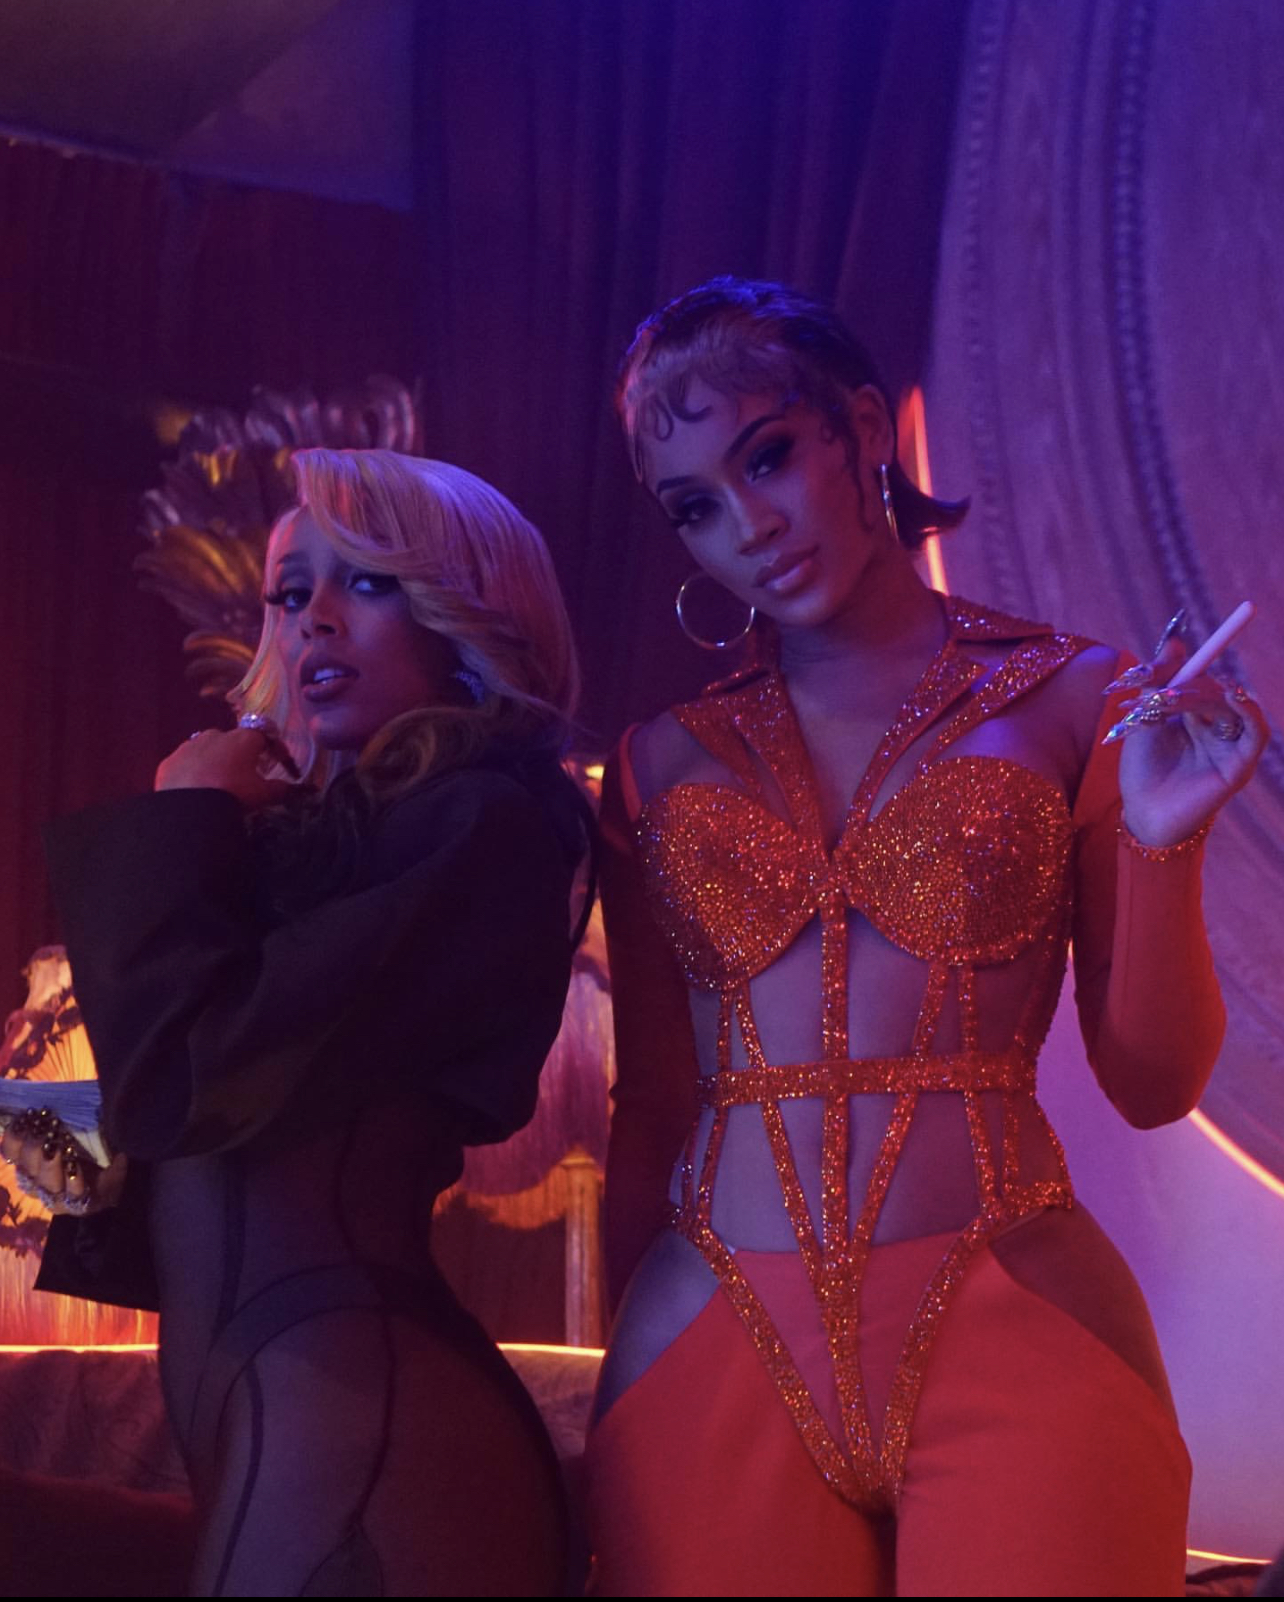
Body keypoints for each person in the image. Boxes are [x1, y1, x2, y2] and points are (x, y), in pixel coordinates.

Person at [585, 278, 1269, 1597]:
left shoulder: (1077, 698)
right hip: (710, 1333)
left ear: (859, 429)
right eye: (694, 506)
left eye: (767, 456)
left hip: (1014, 1319)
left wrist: (1165, 839)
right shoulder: (658, 761)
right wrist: (616, 1385)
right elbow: (654, 1106)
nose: (747, 526)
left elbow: (1153, 1079)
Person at [1, 448, 590, 1596]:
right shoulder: (297, 850)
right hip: (274, 1412)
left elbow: (189, 1081)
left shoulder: (485, 826)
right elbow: (82, 1162)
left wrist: (182, 825)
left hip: (367, 1413)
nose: (313, 617)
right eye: (288, 591)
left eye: (365, 579)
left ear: (464, 609)